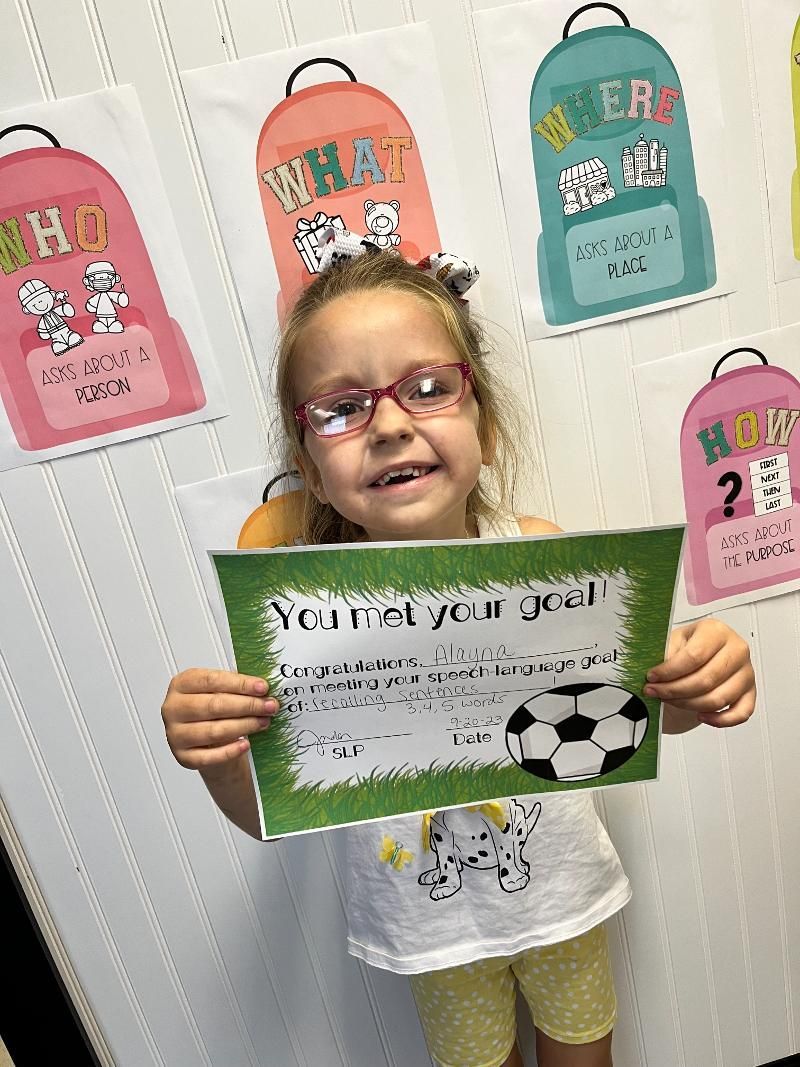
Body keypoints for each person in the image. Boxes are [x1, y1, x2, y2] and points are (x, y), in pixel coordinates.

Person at [162, 248, 756, 1067]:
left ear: (484, 420)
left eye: (430, 386)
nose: (393, 423)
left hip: (561, 896)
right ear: (313, 473)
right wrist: (216, 756)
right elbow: (269, 815)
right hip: (430, 924)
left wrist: (701, 676)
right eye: (340, 408)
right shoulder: (305, 628)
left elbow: (644, 713)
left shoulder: (548, 557)